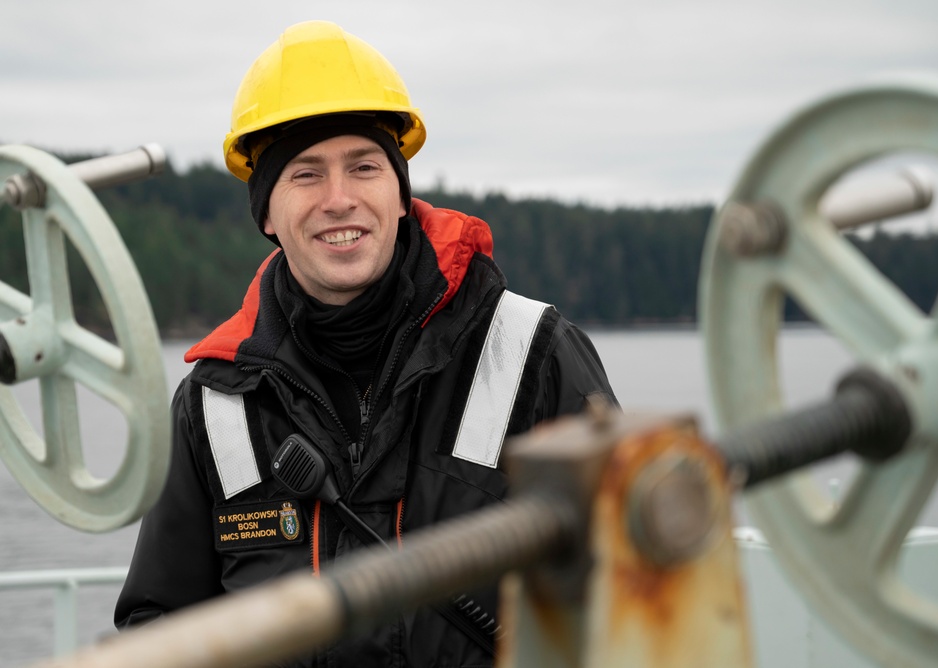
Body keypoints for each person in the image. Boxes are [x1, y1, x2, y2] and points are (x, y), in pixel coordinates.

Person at [115, 19, 616, 667]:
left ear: (400, 195)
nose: (340, 199)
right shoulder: (214, 404)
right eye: (305, 174)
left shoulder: (533, 354)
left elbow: (631, 578)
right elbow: (161, 626)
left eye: (364, 167)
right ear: (266, 213)